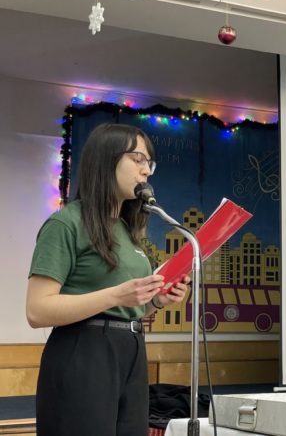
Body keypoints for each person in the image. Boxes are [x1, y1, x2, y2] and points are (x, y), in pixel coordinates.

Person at [26, 123, 189, 436]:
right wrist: (115, 295)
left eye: (149, 163)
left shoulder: (127, 231)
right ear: (106, 159)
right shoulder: (66, 224)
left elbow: (124, 309)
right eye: (137, 159)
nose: (146, 171)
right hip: (84, 352)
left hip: (132, 349)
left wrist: (156, 300)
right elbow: (37, 310)